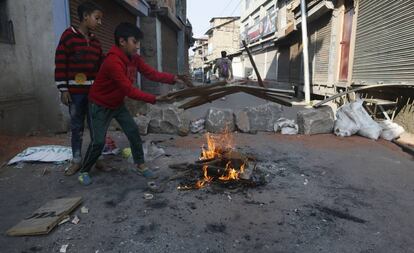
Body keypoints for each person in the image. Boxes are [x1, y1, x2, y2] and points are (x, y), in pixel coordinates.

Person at [77, 22, 193, 185]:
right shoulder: (113, 62)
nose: (138, 46)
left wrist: (173, 78)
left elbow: (150, 73)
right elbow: (129, 90)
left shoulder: (134, 58)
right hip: (100, 105)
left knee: (133, 132)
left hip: (117, 104)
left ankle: (140, 165)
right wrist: (155, 99)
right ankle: (84, 170)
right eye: (134, 42)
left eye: (138, 42)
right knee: (98, 141)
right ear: (122, 41)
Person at [54, 1, 104, 176]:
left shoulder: (96, 42)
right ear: (85, 17)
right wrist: (63, 89)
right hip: (75, 93)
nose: (100, 23)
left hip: (94, 93)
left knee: (95, 125)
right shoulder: (68, 36)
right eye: (97, 18)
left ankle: (95, 156)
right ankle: (76, 160)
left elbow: (101, 66)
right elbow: (60, 63)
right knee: (77, 127)